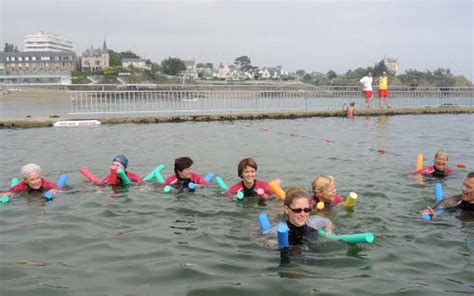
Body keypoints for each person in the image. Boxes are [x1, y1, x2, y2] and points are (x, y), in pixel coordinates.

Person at [266, 186, 334, 246]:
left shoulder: (313, 222)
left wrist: (329, 230)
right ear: (287, 209)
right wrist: (271, 244)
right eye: (298, 210)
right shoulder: (276, 232)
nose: (303, 214)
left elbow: (327, 221)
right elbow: (266, 239)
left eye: (306, 209)